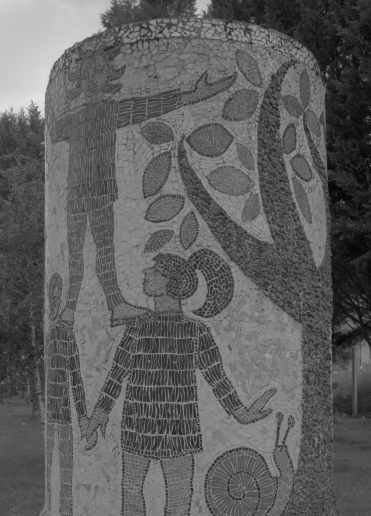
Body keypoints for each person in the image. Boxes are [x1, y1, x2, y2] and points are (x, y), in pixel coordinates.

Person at [84, 249, 275, 516]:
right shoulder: (136, 328)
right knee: (131, 488)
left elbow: (218, 380)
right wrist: (100, 413)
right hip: (138, 421)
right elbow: (115, 375)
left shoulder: (196, 331)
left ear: (173, 283)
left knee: (178, 494)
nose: (147, 273)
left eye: (155, 271)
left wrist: (242, 413)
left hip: (179, 424)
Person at [50, 39, 236, 326]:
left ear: (107, 76)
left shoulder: (110, 110)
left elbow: (148, 106)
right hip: (76, 192)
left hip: (101, 190)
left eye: (97, 72)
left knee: (104, 250)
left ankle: (114, 305)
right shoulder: (73, 119)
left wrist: (192, 96)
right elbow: (55, 130)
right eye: (85, 74)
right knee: (75, 252)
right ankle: (69, 310)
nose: (91, 79)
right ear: (78, 80)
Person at [44, 273, 88, 516]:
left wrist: (82, 415)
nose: (52, 301)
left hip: (63, 414)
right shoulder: (49, 333)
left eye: (56, 296)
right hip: (51, 414)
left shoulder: (63, 332)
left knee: (65, 471)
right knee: (52, 470)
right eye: (51, 296)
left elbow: (77, 377)